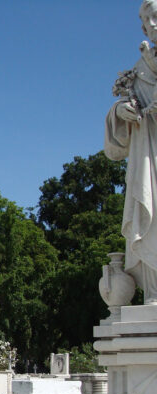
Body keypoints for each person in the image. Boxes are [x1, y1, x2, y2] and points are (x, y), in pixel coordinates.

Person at [105, 0, 157, 302]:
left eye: (155, 17)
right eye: (146, 20)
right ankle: (153, 291)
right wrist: (119, 111)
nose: (151, 24)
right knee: (149, 219)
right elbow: (116, 146)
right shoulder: (138, 71)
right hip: (147, 155)